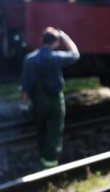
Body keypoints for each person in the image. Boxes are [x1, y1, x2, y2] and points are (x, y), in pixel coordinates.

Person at [20, 27, 80, 169]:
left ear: (42, 40)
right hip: (55, 101)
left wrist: (23, 105)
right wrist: (66, 38)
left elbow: (25, 85)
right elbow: (75, 54)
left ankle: (43, 159)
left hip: (38, 101)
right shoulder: (57, 57)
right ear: (56, 43)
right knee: (54, 133)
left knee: (41, 131)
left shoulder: (30, 59)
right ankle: (50, 164)